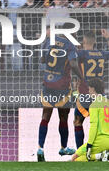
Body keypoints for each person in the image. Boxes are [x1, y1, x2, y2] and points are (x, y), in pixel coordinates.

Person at [37, 23, 85, 162]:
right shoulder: (69, 45)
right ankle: (63, 147)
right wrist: (82, 78)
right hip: (62, 86)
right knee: (63, 117)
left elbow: (42, 59)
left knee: (45, 116)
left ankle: (40, 148)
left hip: (47, 83)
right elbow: (73, 64)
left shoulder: (49, 41)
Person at [73, 31, 109, 149]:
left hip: (85, 94)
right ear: (95, 42)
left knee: (78, 122)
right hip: (100, 96)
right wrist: (108, 38)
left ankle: (79, 151)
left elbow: (70, 58)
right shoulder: (102, 53)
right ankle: (102, 150)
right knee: (102, 125)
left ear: (83, 41)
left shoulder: (82, 53)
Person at [72, 78, 109, 161]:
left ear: (93, 89)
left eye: (89, 89)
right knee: (89, 159)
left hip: (100, 141)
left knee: (75, 158)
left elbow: (94, 126)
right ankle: (101, 156)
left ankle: (99, 156)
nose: (88, 91)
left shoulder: (94, 105)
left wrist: (89, 145)